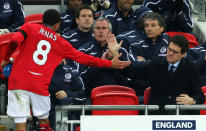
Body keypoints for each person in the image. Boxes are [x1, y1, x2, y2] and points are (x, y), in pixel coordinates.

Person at [0, 9, 130, 131]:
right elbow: (84, 58)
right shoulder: (61, 43)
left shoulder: (29, 27)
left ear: (42, 21)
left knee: (20, 120)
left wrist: (6, 58)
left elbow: (14, 40)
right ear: (57, 25)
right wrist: (108, 63)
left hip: (19, 80)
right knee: (44, 119)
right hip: (38, 83)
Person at [109, 34, 205, 114]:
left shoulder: (191, 68)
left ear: (183, 54)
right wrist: (115, 54)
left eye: (175, 52)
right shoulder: (156, 63)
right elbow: (131, 70)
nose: (170, 53)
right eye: (169, 49)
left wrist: (192, 100)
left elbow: (199, 95)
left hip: (180, 117)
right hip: (157, 115)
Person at [76, 17, 134, 98]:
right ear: (93, 31)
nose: (100, 31)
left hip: (121, 92)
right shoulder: (84, 51)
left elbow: (130, 77)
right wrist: (101, 63)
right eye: (97, 28)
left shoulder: (121, 50)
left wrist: (115, 55)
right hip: (93, 95)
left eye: (104, 28)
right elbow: (81, 80)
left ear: (109, 32)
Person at [49, 60, 85, 130]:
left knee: (66, 103)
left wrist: (67, 94)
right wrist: (54, 97)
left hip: (71, 110)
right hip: (51, 110)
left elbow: (82, 95)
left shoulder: (72, 71)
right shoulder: (44, 72)